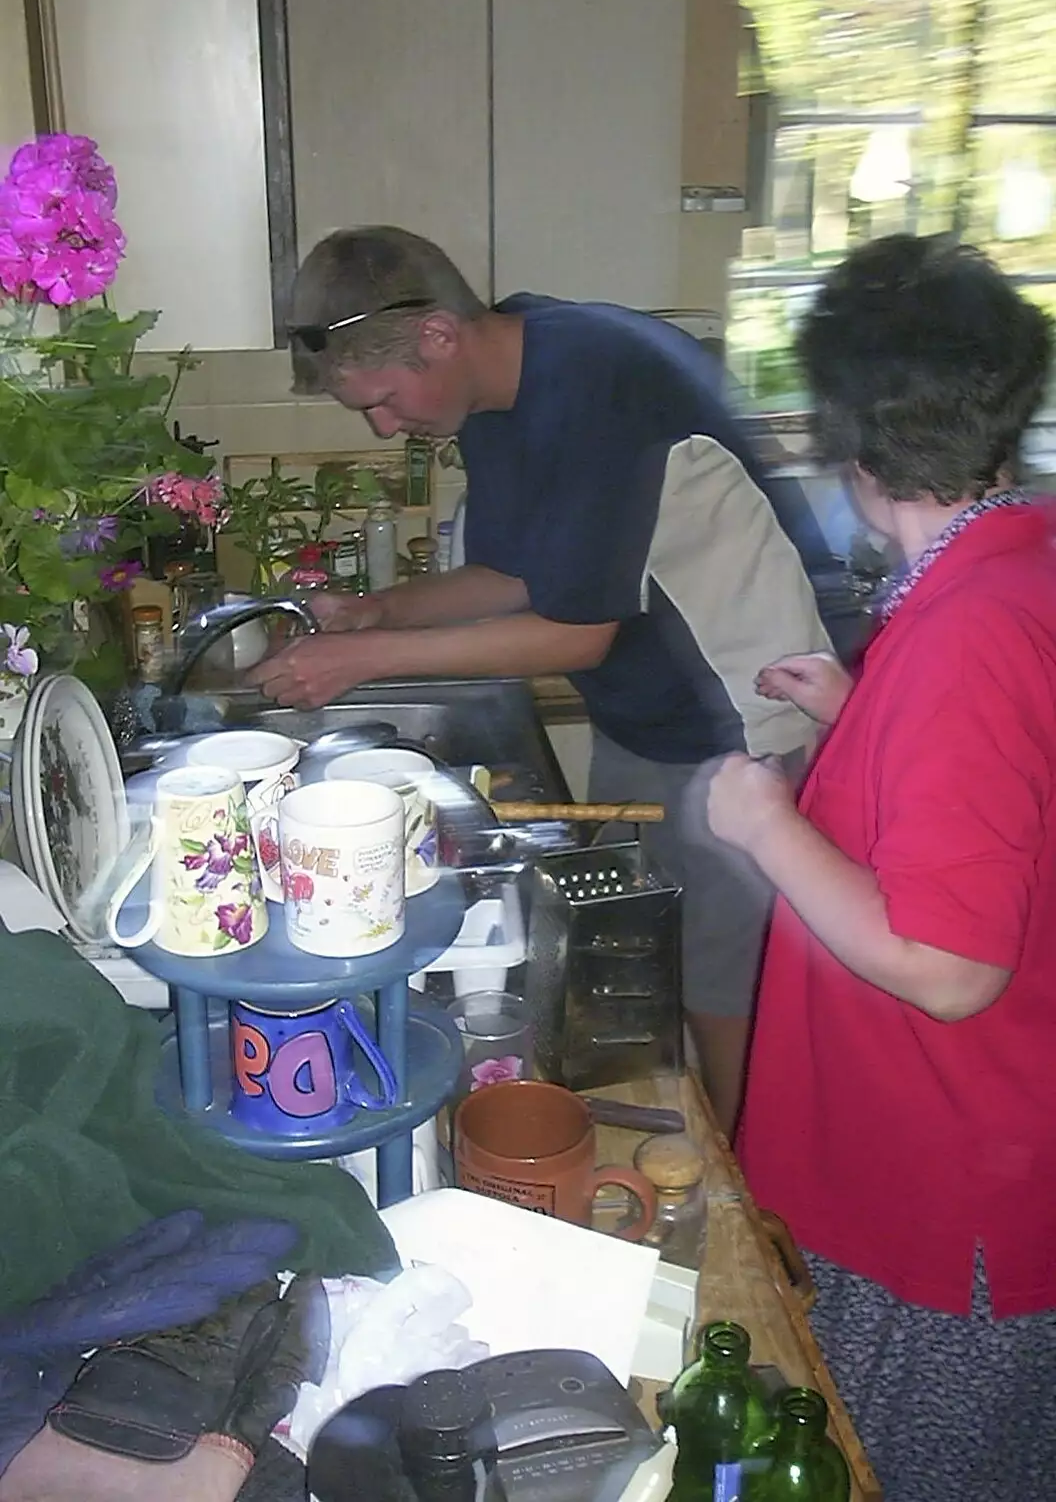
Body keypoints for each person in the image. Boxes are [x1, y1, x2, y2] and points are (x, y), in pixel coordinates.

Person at [249, 226, 830, 1134]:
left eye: (386, 401)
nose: (385, 426)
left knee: (723, 987)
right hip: (646, 717)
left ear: (439, 336)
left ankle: (750, 1200)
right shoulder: (495, 395)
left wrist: (359, 660)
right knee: (653, 966)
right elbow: (524, 575)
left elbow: (577, 631)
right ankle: (699, 1148)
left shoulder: (600, 382)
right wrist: (382, 614)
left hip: (743, 722)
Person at [704, 233, 1056, 1500]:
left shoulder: (967, 631)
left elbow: (951, 964)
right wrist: (868, 710)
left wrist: (762, 820)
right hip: (974, 1154)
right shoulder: (1016, 556)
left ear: (847, 439)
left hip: (940, 1195)